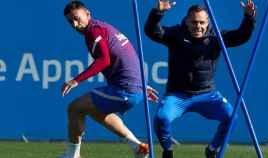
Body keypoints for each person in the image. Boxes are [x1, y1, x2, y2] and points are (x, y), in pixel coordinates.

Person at [144, 0, 256, 158]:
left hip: (207, 94)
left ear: (208, 22)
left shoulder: (216, 36)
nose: (198, 26)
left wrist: (249, 18)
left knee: (231, 118)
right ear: (187, 21)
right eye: (194, 22)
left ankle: (212, 149)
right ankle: (168, 150)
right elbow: (152, 31)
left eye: (202, 22)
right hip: (177, 95)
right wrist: (158, 12)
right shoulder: (176, 34)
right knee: (162, 118)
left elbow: (241, 36)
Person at [60, 1, 158, 158]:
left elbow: (104, 60)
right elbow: (125, 56)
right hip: (134, 87)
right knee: (94, 110)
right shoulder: (101, 27)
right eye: (70, 21)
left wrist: (76, 80)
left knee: (75, 108)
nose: (75, 24)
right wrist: (141, 85)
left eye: (77, 18)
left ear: (88, 14)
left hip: (126, 89)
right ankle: (137, 147)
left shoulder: (93, 31)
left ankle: (72, 155)